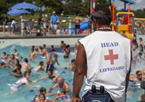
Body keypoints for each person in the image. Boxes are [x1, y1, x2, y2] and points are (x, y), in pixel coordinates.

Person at [72, 5, 131, 102]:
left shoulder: (85, 43)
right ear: (111, 21)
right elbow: (127, 71)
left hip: (96, 96)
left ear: (94, 21)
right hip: (118, 96)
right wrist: (123, 94)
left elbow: (79, 72)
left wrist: (75, 95)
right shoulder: (126, 42)